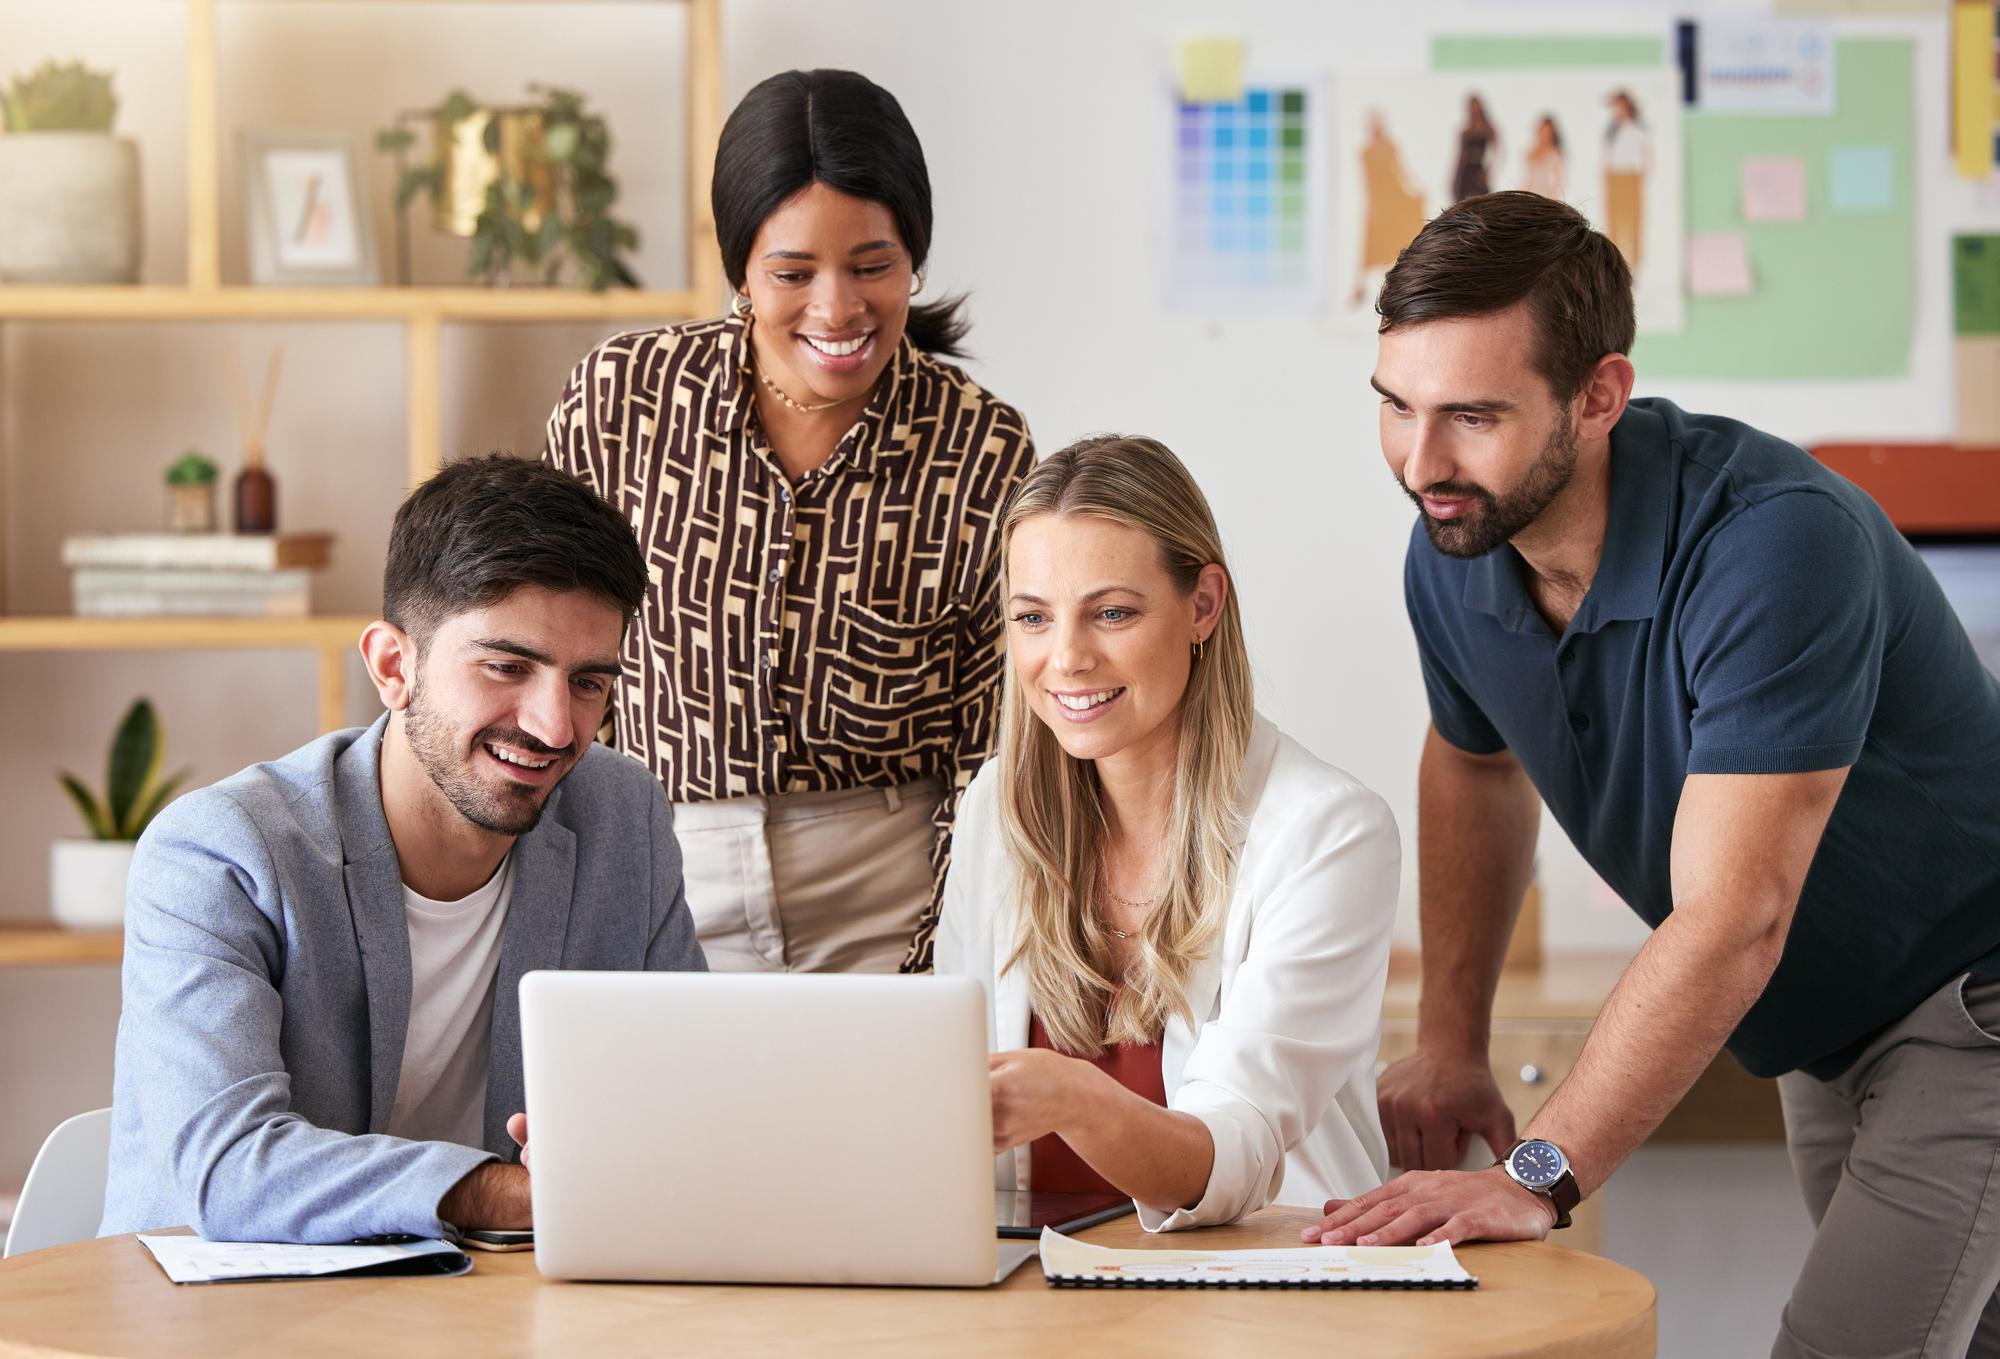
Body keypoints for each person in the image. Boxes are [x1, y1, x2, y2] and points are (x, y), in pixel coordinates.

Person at [1307, 191, 2000, 1359]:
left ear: (1598, 396)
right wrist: (1449, 1040)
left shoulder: (1772, 545)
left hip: (1967, 1002)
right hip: (1816, 1029)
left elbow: (1734, 917)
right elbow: (1475, 764)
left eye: (1470, 416)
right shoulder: (1459, 543)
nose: (1420, 464)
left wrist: (1535, 1174)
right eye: (1395, 406)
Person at [99, 456, 706, 1244]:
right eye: (507, 667)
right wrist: (515, 1194)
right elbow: (228, 1169)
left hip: (492, 1296)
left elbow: (690, 1100)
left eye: (588, 682)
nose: (555, 726)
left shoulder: (623, 819)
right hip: (229, 1302)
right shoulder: (219, 853)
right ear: (394, 665)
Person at [545, 68, 1034, 977]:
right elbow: (556, 653)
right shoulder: (622, 402)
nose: (837, 308)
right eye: (792, 273)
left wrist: (940, 949)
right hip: (660, 871)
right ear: (740, 269)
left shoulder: (982, 447)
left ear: (915, 257)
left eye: (873, 266)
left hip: (888, 893)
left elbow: (992, 743)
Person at [936, 435, 1400, 1231]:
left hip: (1266, 1275)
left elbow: (1233, 1160)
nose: (1066, 658)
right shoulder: (996, 810)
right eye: (1033, 618)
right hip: (1038, 1279)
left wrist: (1070, 1096)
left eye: (1112, 613)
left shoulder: (1329, 832)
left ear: (1203, 605)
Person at [1351, 110, 1428, 308]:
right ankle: (1359, 288)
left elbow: (1401, 171)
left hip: (1394, 197)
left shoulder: (1391, 147)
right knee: (1371, 245)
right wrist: (1371, 206)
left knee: (1398, 241)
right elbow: (1367, 182)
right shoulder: (1364, 153)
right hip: (1379, 201)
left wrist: (1415, 189)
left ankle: (1401, 287)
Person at [1602, 90, 1648, 269]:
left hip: (1631, 177)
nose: (1616, 110)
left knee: (1634, 221)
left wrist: (1641, 177)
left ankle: (1635, 264)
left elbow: (1646, 155)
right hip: (1614, 178)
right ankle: (1615, 262)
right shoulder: (1611, 130)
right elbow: (1606, 157)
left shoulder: (1637, 129)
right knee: (1614, 220)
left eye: (1619, 106)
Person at [1451, 94, 1498, 202]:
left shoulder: (1488, 129)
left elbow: (1497, 151)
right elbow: (1460, 156)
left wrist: (1489, 171)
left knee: (1483, 202)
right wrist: (1456, 178)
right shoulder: (1466, 131)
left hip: (1478, 170)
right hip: (1466, 171)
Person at [1522, 116, 1564, 200]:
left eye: (1548, 132)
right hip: (1530, 194)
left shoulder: (1555, 155)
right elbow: (1526, 178)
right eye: (1544, 131)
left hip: (1547, 196)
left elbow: (1560, 181)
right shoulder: (1530, 153)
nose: (1545, 135)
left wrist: (1555, 197)